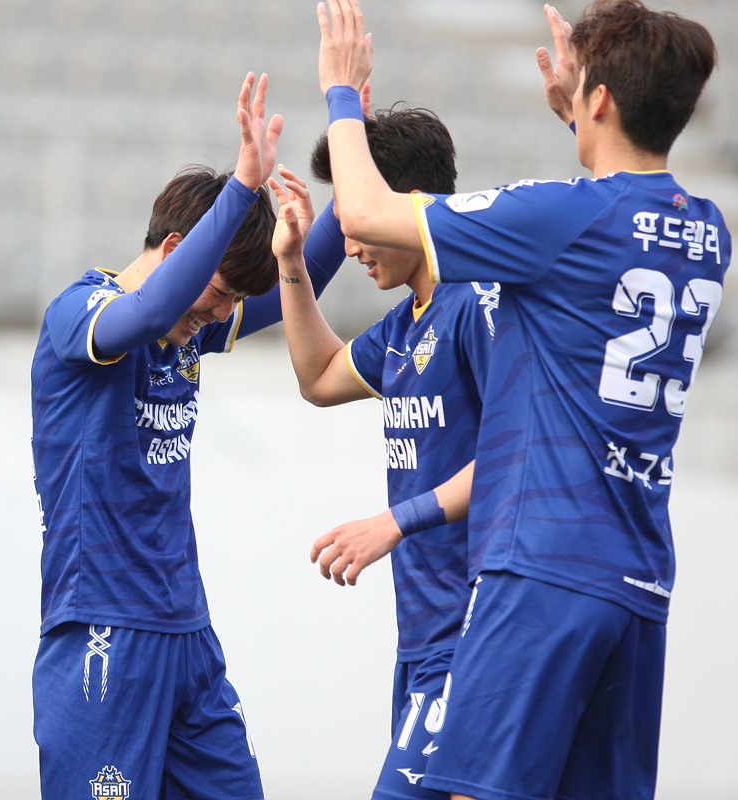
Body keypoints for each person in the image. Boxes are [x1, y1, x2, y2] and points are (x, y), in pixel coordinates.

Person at [314, 2, 727, 799]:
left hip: (541, 565)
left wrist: (341, 91)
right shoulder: (707, 231)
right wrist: (583, 117)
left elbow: (365, 212)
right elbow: (614, 212)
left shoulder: (560, 215)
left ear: (598, 99)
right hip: (639, 579)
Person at [29, 72, 347, 800]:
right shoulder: (81, 314)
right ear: (175, 249)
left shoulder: (189, 329)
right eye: (219, 293)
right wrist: (242, 186)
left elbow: (300, 282)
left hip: (187, 634)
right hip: (102, 629)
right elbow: (144, 314)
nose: (222, 315)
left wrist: (354, 146)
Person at [273, 101, 493, 800]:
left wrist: (396, 521)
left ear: (408, 206)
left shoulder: (478, 303)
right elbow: (318, 377)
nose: (350, 244)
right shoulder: (405, 327)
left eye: (358, 220)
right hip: (422, 636)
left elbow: (520, 453)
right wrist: (291, 265)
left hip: (477, 629)